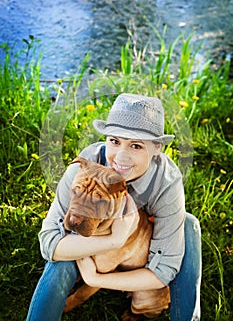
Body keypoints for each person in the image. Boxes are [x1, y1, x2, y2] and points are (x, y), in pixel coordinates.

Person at [26, 93, 202, 321]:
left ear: (157, 147)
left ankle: (187, 317)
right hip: (107, 240)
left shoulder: (167, 181)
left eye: (136, 145)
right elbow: (49, 243)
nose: (121, 157)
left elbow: (164, 270)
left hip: (142, 257)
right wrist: (112, 241)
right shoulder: (83, 169)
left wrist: (95, 279)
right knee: (63, 246)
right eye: (115, 141)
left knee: (189, 223)